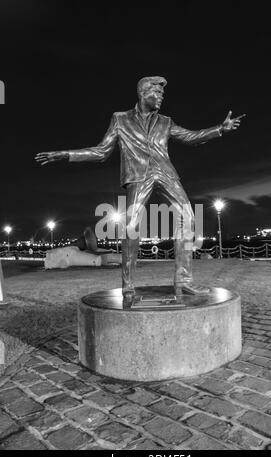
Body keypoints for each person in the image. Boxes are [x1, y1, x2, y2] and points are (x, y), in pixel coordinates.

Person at [36, 76, 245, 299]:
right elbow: (101, 152)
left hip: (166, 174)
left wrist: (220, 129)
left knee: (188, 218)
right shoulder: (120, 119)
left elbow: (191, 137)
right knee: (131, 227)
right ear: (143, 93)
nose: (161, 98)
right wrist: (66, 155)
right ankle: (128, 286)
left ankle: (184, 280)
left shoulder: (166, 121)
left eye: (162, 95)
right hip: (138, 177)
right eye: (157, 93)